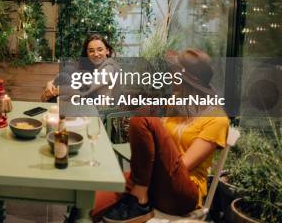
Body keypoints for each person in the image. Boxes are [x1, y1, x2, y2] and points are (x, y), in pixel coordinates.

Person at [91, 48, 229, 223]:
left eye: (174, 74)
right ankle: (138, 194)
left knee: (144, 119)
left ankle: (140, 198)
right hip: (154, 183)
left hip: (182, 193)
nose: (170, 77)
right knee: (90, 203)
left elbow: (184, 166)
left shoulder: (217, 119)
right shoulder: (174, 103)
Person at [41, 34, 118, 102]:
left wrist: (56, 91)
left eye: (100, 50)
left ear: (107, 51)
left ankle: (50, 101)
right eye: (91, 51)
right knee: (68, 69)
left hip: (99, 110)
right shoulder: (94, 67)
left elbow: (85, 89)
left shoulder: (109, 68)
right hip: (86, 100)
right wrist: (50, 83)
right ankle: (51, 101)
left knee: (67, 82)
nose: (96, 54)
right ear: (87, 54)